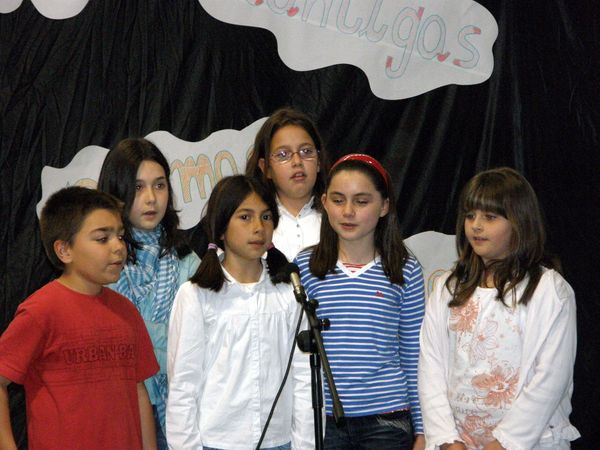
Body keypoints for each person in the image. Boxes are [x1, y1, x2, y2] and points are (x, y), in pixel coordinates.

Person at [418, 167, 580, 450]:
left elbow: (551, 377)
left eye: (490, 217)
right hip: (459, 442)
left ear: (519, 222)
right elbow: (431, 366)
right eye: (470, 216)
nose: (476, 226)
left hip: (531, 442)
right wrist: (447, 439)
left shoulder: (549, 290)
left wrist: (504, 443)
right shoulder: (448, 287)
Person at [0, 186, 159, 449]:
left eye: (120, 236)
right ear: (64, 250)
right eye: (102, 238)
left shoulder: (126, 311)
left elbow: (138, 388)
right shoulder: (41, 311)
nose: (118, 247)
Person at [166, 175, 314, 449]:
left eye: (266, 217)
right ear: (221, 228)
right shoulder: (197, 295)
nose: (258, 227)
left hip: (280, 441)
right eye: (245, 217)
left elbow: (305, 378)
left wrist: (306, 444)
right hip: (216, 442)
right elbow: (183, 385)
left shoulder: (288, 293)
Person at [295, 154, 426, 450]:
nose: (348, 212)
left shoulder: (404, 269)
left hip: (387, 419)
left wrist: (421, 428)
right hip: (322, 419)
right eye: (338, 200)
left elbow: (413, 355)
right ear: (324, 202)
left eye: (362, 201)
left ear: (384, 206)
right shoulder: (304, 267)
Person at [98, 138, 200, 449]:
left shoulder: (187, 260)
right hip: (117, 408)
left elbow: (198, 342)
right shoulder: (99, 263)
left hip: (181, 408)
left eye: (159, 185)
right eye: (138, 187)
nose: (151, 199)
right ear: (116, 191)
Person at [246, 107, 329, 261]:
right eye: (283, 154)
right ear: (266, 168)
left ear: (319, 161)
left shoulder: (339, 218)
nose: (297, 161)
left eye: (306, 151)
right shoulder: (250, 224)